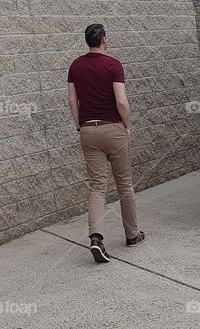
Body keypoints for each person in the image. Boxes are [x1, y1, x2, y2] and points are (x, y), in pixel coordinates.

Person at [67, 23, 145, 262]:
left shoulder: (76, 66)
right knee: (124, 185)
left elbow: (72, 101)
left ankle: (96, 238)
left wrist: (81, 125)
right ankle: (132, 235)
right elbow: (121, 101)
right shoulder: (113, 65)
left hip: (88, 131)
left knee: (97, 187)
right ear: (103, 40)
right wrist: (127, 124)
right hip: (113, 129)